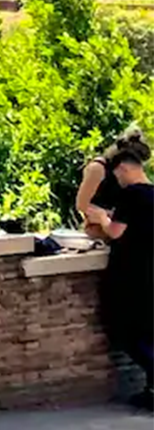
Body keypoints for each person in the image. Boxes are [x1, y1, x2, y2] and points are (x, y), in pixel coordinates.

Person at [83, 135, 154, 408]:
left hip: (131, 271)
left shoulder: (131, 196)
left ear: (124, 168)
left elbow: (116, 231)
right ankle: (150, 390)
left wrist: (101, 217)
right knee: (149, 330)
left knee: (126, 331)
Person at [78, 129, 144, 240]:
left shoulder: (133, 171)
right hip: (100, 228)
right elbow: (82, 204)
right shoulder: (98, 168)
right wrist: (108, 216)